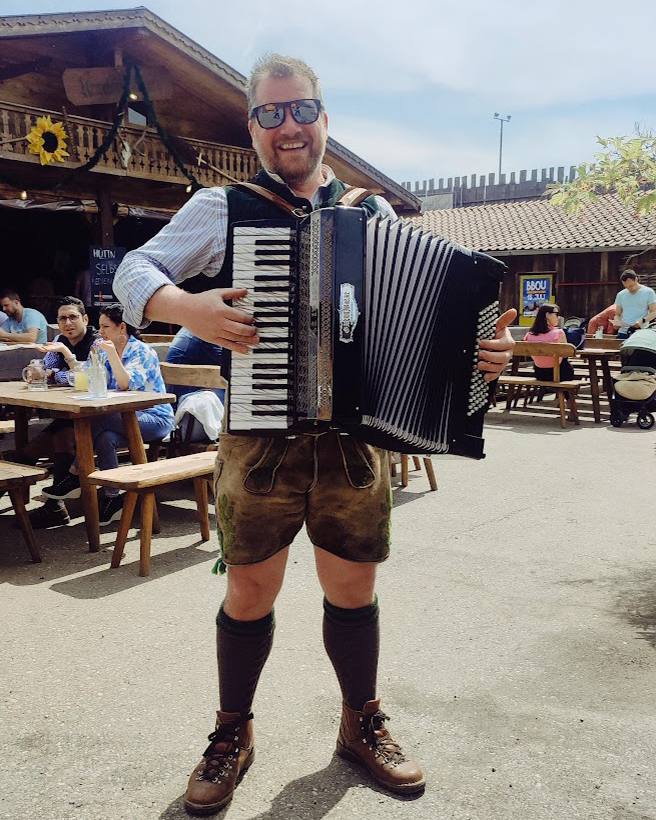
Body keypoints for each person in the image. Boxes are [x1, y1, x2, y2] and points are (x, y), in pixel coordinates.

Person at [113, 53, 516, 813]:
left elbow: (426, 317)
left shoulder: (373, 213)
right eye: (270, 113)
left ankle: (360, 723)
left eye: (300, 110)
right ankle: (234, 730)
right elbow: (135, 268)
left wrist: (481, 353)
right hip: (258, 438)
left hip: (353, 438)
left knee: (352, 583)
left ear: (325, 119)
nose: (287, 125)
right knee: (250, 587)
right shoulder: (222, 207)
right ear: (254, 126)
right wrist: (186, 308)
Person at [42, 304, 174, 526]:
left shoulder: (141, 351)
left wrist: (112, 352)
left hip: (154, 417)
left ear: (121, 327)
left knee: (94, 418)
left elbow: (126, 384)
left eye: (105, 326)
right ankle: (113, 497)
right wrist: (66, 354)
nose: (100, 331)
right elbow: (84, 376)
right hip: (121, 417)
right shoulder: (100, 347)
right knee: (105, 438)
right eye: (100, 326)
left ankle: (74, 474)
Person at [10, 297, 100, 528]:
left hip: (102, 416)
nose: (67, 323)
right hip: (72, 412)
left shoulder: (97, 342)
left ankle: (51, 506)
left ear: (85, 319)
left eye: (73, 317)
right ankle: (49, 504)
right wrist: (45, 373)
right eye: (62, 318)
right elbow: (44, 369)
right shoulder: (60, 339)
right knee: (47, 440)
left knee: (58, 437)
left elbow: (86, 379)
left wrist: (57, 372)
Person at [524, 303, 575, 380]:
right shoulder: (559, 333)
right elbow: (566, 355)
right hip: (560, 373)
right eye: (556, 314)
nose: (559, 317)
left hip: (540, 373)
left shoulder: (529, 335)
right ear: (547, 315)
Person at [613, 271, 656, 340]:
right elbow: (618, 314)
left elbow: (654, 312)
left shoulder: (648, 292)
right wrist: (616, 322)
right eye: (626, 287)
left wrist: (642, 321)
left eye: (631, 286)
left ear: (636, 279)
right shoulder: (621, 295)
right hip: (623, 332)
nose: (629, 289)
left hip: (640, 332)